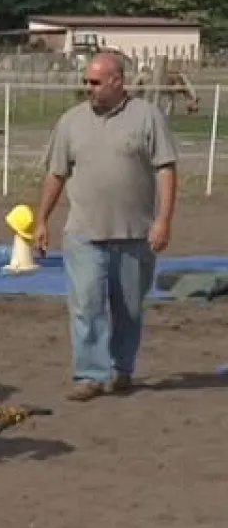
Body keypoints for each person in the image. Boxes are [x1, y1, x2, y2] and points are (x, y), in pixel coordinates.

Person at [34, 51, 178, 402]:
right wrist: (42, 220)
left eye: (95, 82)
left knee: (128, 308)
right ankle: (89, 375)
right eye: (86, 81)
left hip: (134, 234)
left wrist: (162, 221)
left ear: (118, 81)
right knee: (86, 304)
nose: (88, 88)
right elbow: (56, 173)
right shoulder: (71, 122)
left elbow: (166, 169)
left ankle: (121, 369)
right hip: (84, 232)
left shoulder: (148, 117)